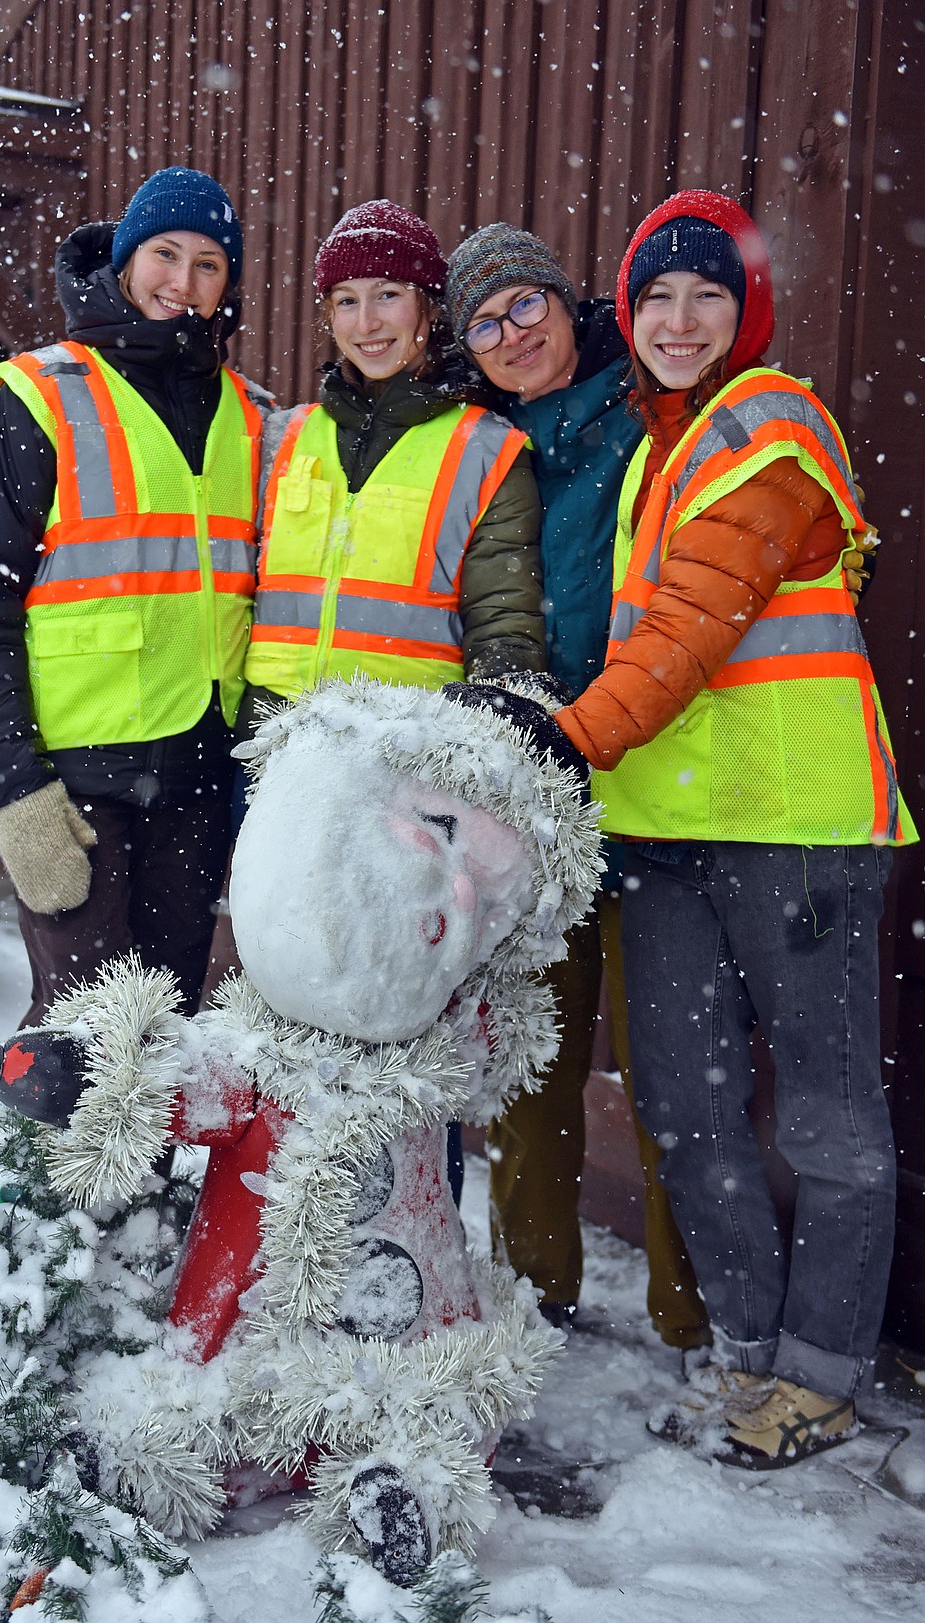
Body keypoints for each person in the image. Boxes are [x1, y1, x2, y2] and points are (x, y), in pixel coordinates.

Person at [547, 188, 917, 1466]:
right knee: (689, 1113)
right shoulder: (659, 446)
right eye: (656, 296)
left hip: (794, 827)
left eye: (709, 294)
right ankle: (745, 1358)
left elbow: (696, 622)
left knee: (822, 1116)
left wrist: (571, 739)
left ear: (746, 310)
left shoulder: (770, 426)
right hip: (663, 835)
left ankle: (819, 1379)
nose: (681, 319)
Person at [444, 224, 710, 1356]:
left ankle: (693, 1316)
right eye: (485, 323)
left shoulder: (651, 403)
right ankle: (533, 1288)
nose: (513, 335)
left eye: (526, 305)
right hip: (527, 786)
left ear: (566, 301)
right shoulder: (471, 445)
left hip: (654, 771)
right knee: (535, 1054)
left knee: (674, 1068)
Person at [0, 167, 268, 1025]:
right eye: (164, 254)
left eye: (208, 264)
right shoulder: (41, 398)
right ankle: (55, 1167)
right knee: (82, 1048)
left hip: (196, 777)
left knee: (165, 1042)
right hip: (74, 782)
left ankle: (147, 1170)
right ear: (124, 261)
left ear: (229, 284)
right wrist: (15, 790)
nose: (182, 283)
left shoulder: (254, 417)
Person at [241, 199, 546, 718]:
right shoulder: (282, 435)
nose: (366, 323)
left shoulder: (488, 449)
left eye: (387, 295)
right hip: (267, 747)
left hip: (406, 753)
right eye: (345, 301)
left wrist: (487, 731)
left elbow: (503, 626)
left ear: (428, 307)